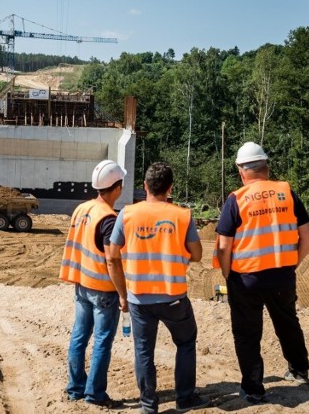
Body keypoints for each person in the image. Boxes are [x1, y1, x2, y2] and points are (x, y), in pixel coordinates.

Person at [213, 141, 309, 404]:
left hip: (245, 279)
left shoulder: (236, 199)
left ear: (241, 170)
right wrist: (293, 262)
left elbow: (224, 245)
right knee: (287, 322)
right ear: (266, 167)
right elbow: (308, 235)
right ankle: (299, 369)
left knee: (247, 334)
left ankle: (254, 389)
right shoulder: (286, 193)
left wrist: (227, 273)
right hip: (282, 275)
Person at [108, 162, 210, 414]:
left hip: (139, 299)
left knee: (144, 351)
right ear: (170, 188)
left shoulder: (127, 214)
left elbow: (112, 256)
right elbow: (197, 255)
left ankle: (148, 405)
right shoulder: (182, 216)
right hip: (174, 297)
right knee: (185, 343)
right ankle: (185, 398)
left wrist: (122, 295)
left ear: (145, 187)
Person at [59, 159, 127, 409]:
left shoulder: (82, 209)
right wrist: (123, 294)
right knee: (101, 342)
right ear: (117, 187)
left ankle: (75, 387)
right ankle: (95, 394)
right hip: (103, 290)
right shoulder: (108, 218)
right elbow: (112, 259)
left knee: (78, 337)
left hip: (82, 285)